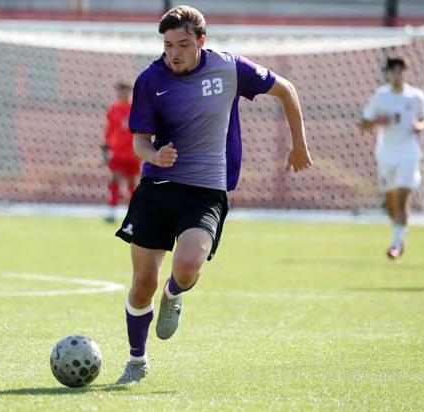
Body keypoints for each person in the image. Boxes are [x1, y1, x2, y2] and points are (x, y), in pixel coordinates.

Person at [114, 5, 312, 384]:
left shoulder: (229, 68)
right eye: (168, 45)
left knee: (187, 267)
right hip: (157, 189)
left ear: (201, 41)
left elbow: (286, 90)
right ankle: (136, 361)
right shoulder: (149, 80)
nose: (174, 53)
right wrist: (154, 155)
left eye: (183, 44)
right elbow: (140, 141)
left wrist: (299, 145)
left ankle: (174, 293)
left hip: (205, 191)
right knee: (142, 285)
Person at [360, 57, 424, 260]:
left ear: (406, 73)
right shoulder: (381, 96)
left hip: (409, 154)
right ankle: (400, 233)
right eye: (394, 71)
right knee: (390, 204)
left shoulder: (416, 96)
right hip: (386, 155)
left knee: (402, 199)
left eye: (401, 71)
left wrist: (420, 126)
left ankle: (395, 245)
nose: (398, 75)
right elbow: (363, 124)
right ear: (388, 74)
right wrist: (376, 121)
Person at [101, 82, 141, 223]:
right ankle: (112, 211)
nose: (120, 93)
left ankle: (133, 213)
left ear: (129, 92)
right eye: (118, 90)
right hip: (117, 151)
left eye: (123, 90)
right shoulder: (113, 109)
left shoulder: (135, 109)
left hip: (132, 152)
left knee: (132, 183)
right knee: (114, 178)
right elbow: (110, 129)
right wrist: (106, 145)